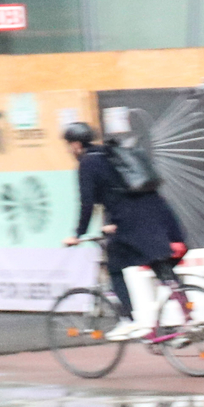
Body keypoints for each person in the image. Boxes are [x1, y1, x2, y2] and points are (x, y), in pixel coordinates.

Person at [61, 122, 185, 335]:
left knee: (115, 267)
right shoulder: (110, 154)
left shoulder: (88, 163)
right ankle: (188, 320)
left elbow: (87, 203)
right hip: (155, 212)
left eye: (68, 145)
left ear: (75, 144)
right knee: (160, 264)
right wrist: (112, 221)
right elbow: (118, 190)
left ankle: (129, 319)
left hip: (131, 220)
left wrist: (77, 234)